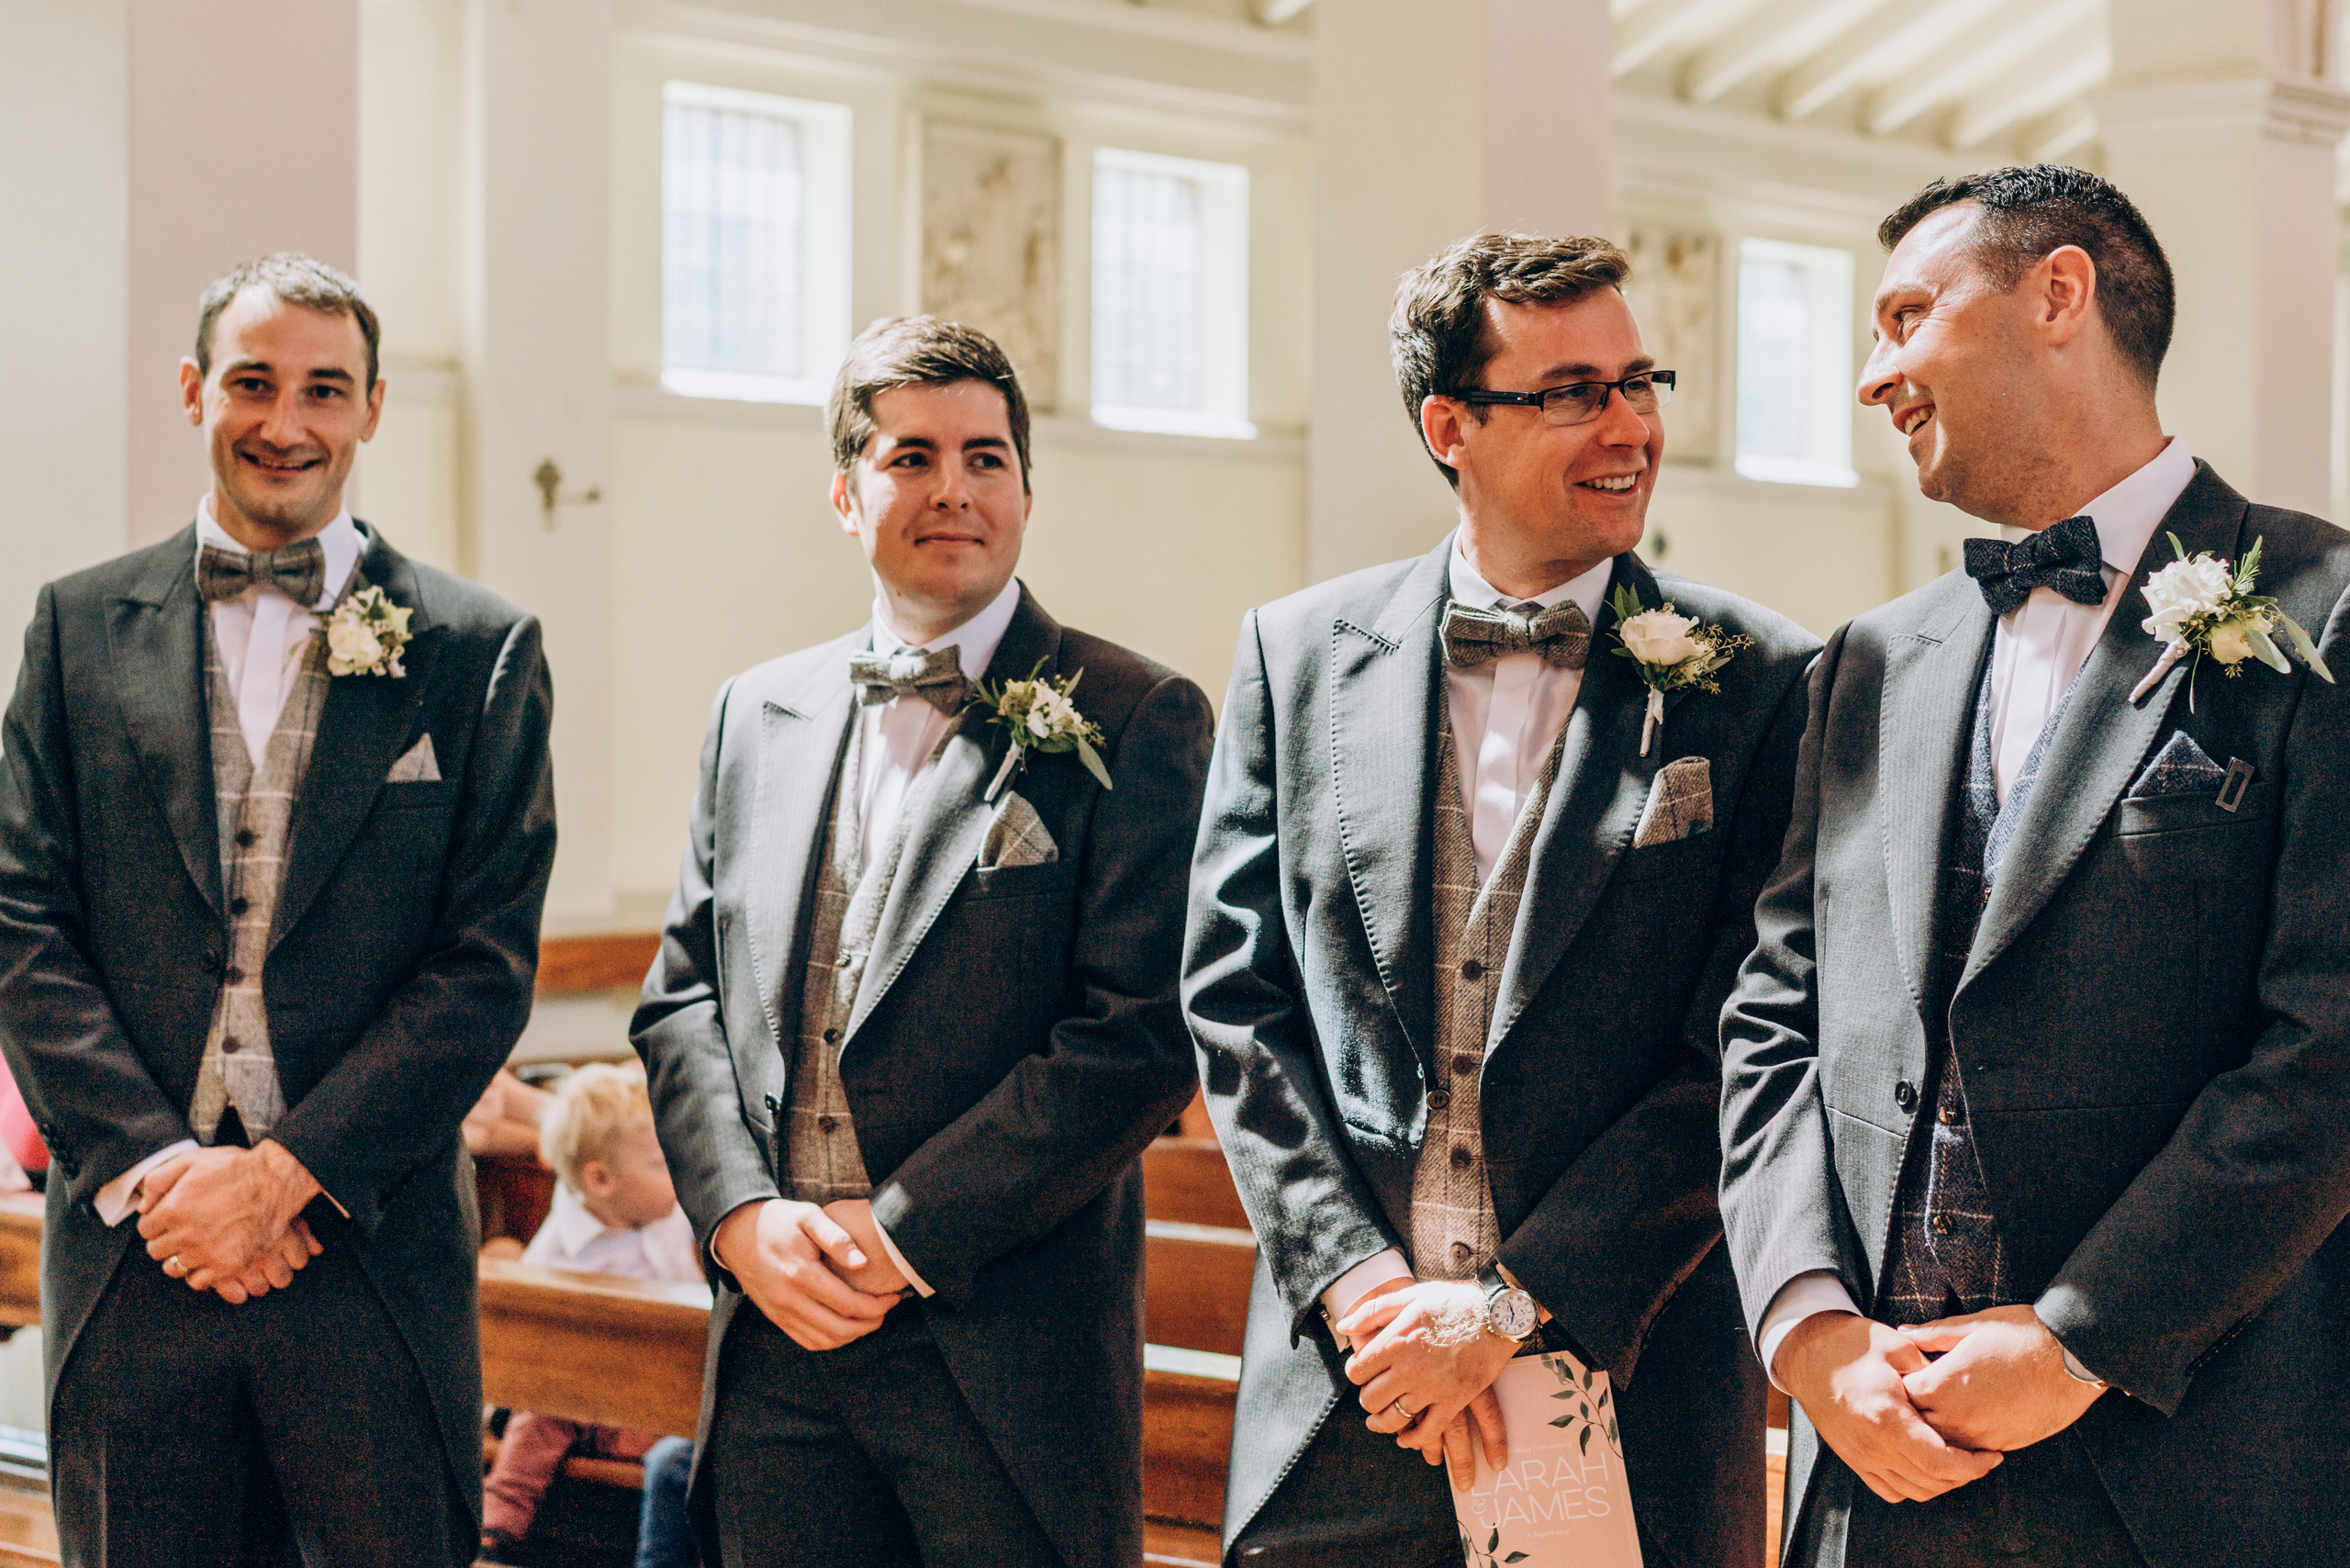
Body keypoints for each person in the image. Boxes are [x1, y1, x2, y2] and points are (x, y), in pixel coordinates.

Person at [1718, 164, 2350, 1568]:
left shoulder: (2324, 613)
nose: (1873, 375)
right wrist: (1809, 1326)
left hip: (2179, 1467)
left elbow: (2331, 1046)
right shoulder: (1873, 659)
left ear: (2060, 294)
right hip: (1873, 1458)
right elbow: (1774, 1012)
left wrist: (2079, 1342)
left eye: (1907, 316)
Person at [1182, 232, 1818, 1568]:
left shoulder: (1764, 679)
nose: (1629, 426)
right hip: (1351, 1391)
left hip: (1622, 1378)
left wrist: (1509, 1307)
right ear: (1449, 426)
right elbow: (1236, 1000)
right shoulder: (1294, 656)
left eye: (1639, 382)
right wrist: (1360, 1286)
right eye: (1573, 392)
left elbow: (1751, 1041)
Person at [0, 252, 556, 1564]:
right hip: (137, 1256)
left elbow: (481, 964)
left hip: (365, 1254)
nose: (285, 423)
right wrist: (163, 1172)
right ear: (194, 390)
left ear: (373, 407)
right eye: (252, 382)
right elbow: (23, 919)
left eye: (324, 389)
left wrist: (287, 1178)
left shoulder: (477, 650)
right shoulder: (77, 628)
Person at [633, 315, 1212, 1568]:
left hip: (1001, 1355)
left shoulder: (1137, 713)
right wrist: (741, 1219)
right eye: (911, 457)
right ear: (846, 494)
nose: (953, 488)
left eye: (985, 457)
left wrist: (899, 1233)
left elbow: (1140, 1034)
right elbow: (682, 1002)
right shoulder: (755, 712)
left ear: (1026, 492)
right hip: (778, 1337)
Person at [480, 1060, 701, 1564]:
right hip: (579, 1399)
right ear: (601, 1180)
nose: (678, 1172)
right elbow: (527, 1329)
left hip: (659, 1401)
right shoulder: (564, 1244)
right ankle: (497, 1527)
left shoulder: (676, 1215)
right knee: (540, 1415)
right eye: (661, 1164)